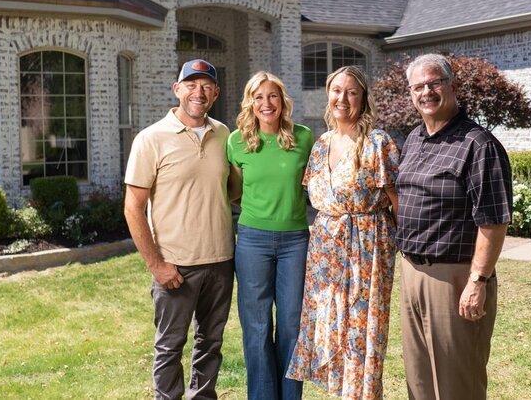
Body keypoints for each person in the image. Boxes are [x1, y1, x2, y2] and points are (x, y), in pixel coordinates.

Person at [396, 53, 513, 400]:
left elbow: (493, 220)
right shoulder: (414, 138)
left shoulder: (478, 145)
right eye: (418, 86)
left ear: (452, 86)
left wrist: (478, 280)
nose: (426, 92)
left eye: (434, 83)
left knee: (456, 382)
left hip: (455, 277)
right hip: (412, 271)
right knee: (418, 378)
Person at [123, 59, 234, 400]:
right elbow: (133, 208)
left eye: (205, 86)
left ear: (214, 93)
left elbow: (231, 190)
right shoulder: (150, 139)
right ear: (177, 89)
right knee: (170, 347)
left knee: (211, 344)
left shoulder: (224, 134)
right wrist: (157, 265)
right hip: (176, 266)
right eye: (191, 84)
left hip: (220, 261)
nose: (197, 92)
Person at [286, 66, 400, 399]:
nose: (343, 98)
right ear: (328, 94)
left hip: (367, 248)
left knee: (363, 332)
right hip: (325, 250)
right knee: (331, 330)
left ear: (363, 98)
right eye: (337, 90)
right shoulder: (321, 144)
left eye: (352, 92)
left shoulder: (378, 142)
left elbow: (398, 202)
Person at [226, 71, 314, 400]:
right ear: (250, 103)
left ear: (283, 101)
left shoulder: (303, 138)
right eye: (259, 97)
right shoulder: (236, 141)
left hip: (295, 242)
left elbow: (315, 188)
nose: (266, 103)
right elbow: (235, 192)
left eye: (272, 96)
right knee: (257, 325)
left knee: (291, 325)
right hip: (252, 241)